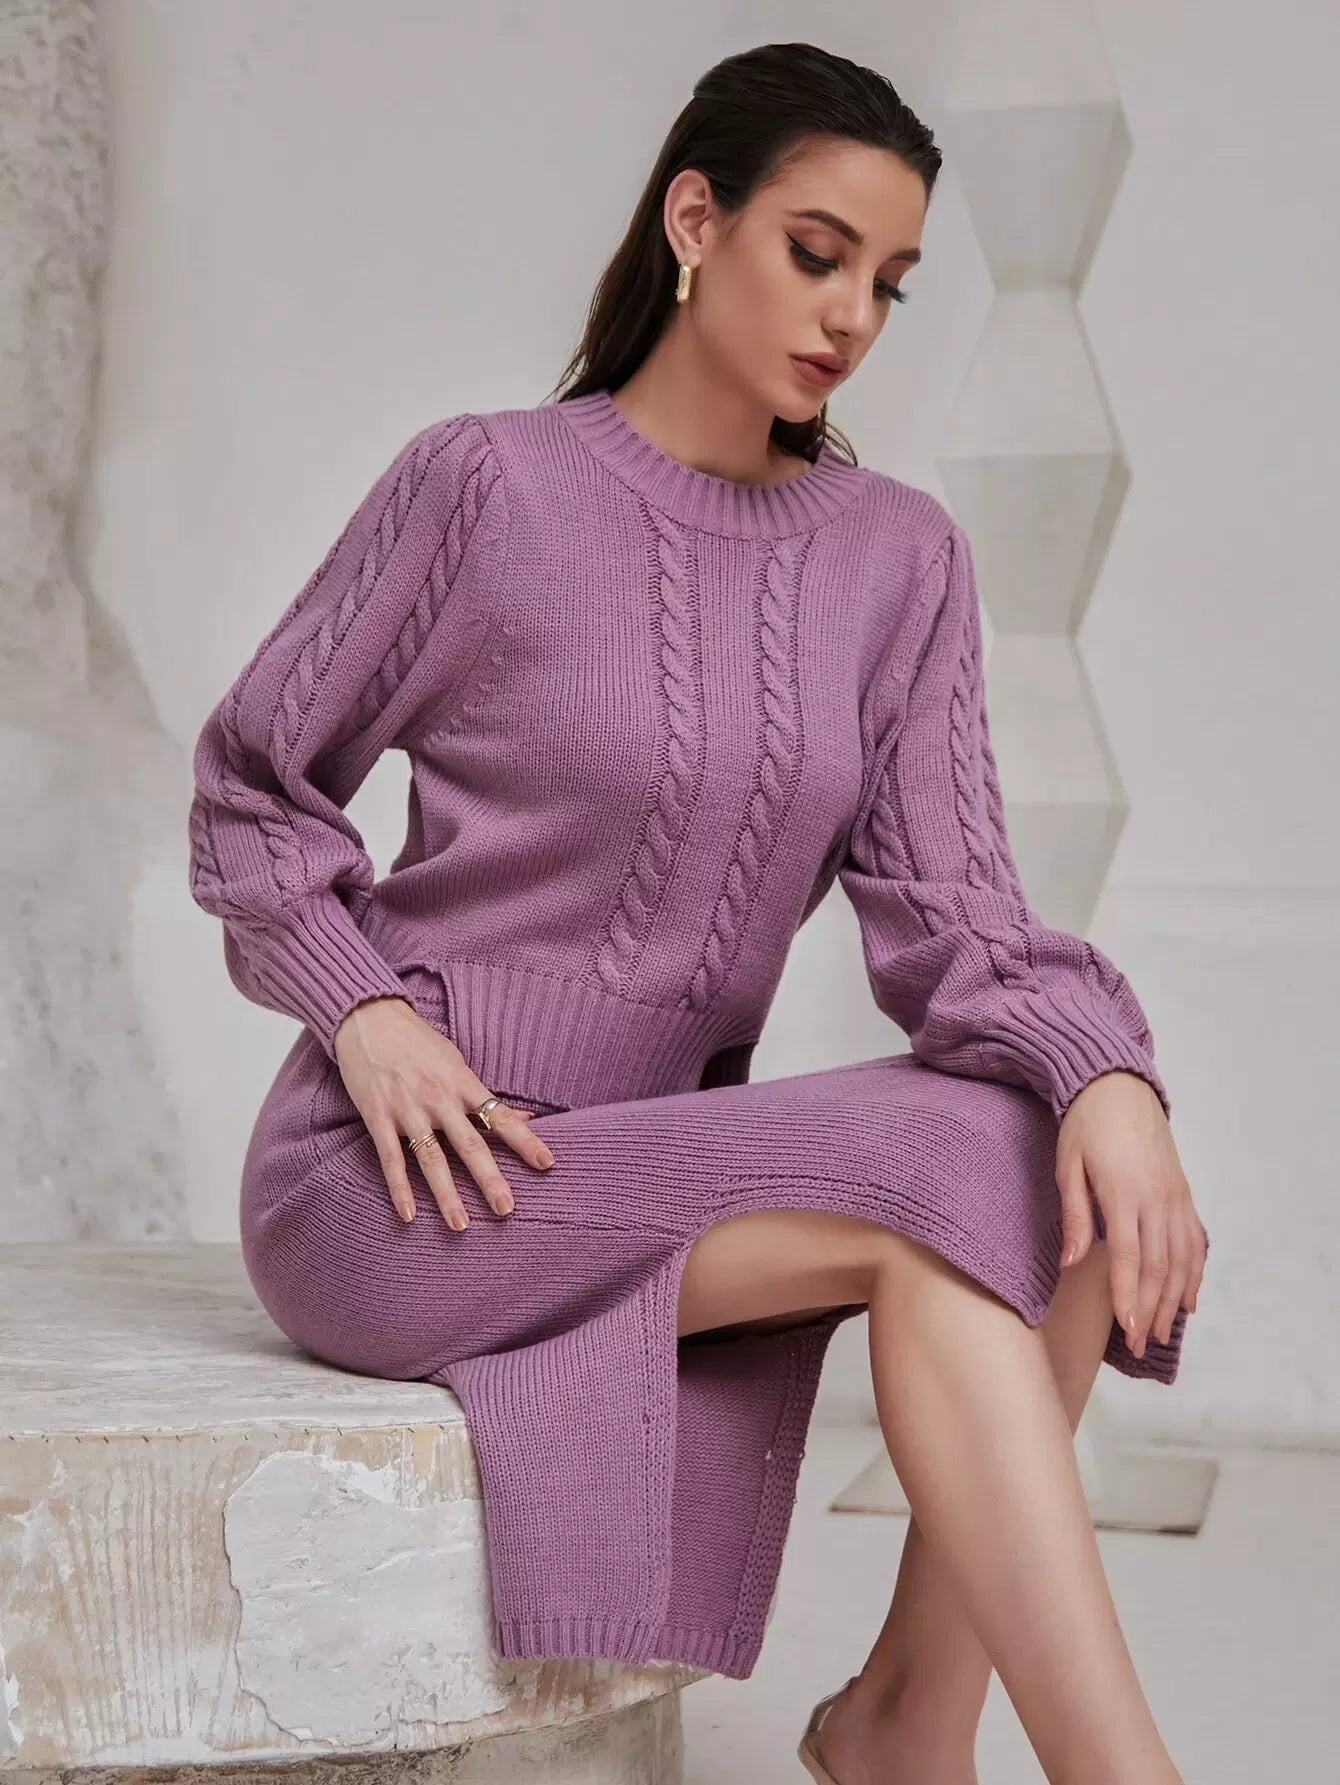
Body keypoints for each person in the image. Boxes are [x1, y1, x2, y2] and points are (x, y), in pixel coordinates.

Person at [187, 40, 1209, 1785]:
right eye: (817, 253)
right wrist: (364, 1012)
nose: (852, 317)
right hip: (411, 1181)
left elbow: (953, 915)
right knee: (976, 1169)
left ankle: (914, 1717)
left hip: (647, 1163)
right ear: (693, 220)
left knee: (1051, 1158)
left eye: (889, 282)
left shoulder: (896, 560)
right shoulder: (485, 485)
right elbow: (249, 785)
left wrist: (1108, 1073)